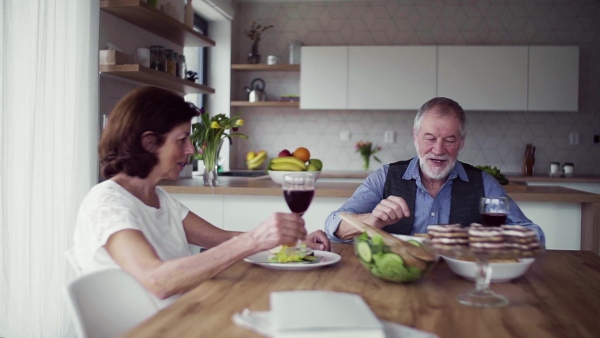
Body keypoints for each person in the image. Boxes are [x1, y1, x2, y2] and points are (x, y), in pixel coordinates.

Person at [72, 86, 330, 305]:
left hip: (184, 313)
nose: (191, 150)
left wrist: (296, 241)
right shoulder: (107, 204)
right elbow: (158, 281)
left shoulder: (159, 198)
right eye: (182, 139)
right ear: (150, 143)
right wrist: (253, 240)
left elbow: (223, 239)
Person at [324, 97, 545, 244]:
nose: (438, 150)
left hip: (460, 282)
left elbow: (535, 235)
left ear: (461, 142)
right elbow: (333, 225)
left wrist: (490, 238)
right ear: (415, 136)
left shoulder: (484, 183)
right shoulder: (385, 176)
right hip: (397, 279)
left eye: (449, 140)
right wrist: (371, 220)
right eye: (430, 138)